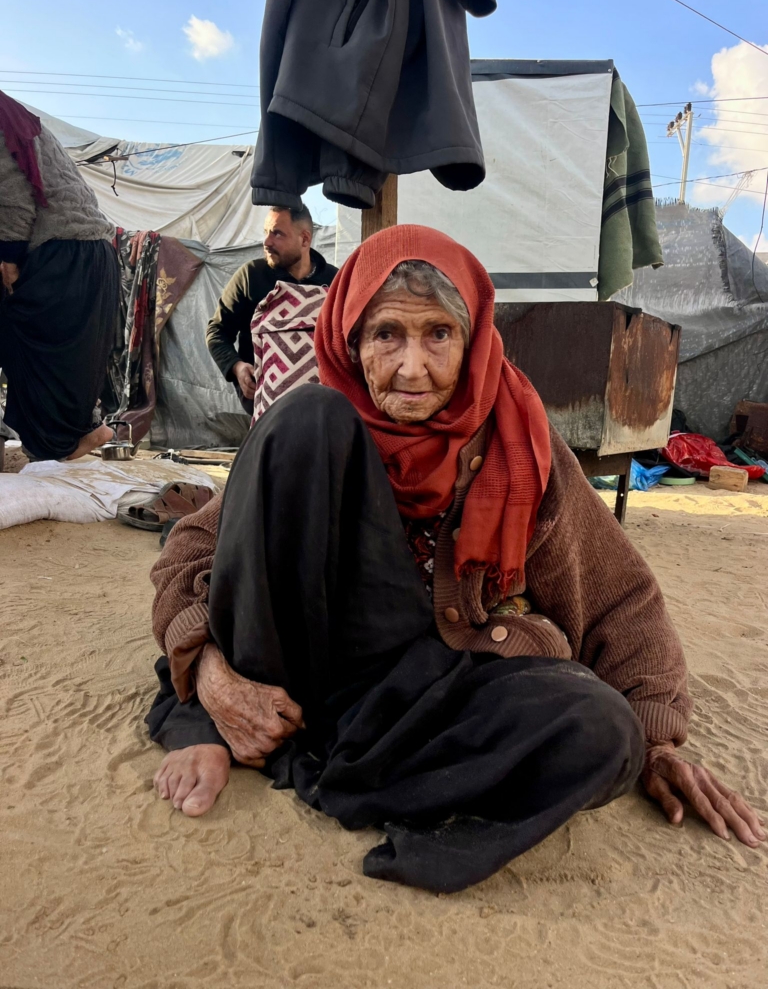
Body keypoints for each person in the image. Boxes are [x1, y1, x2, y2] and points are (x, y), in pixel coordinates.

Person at [147, 225, 764, 894]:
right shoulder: (314, 427)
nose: (413, 368)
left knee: (605, 730)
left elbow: (621, 595)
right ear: (351, 340)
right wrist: (212, 684)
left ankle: (333, 758)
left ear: (472, 342)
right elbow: (192, 553)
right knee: (304, 418)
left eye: (438, 334)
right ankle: (240, 727)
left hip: (422, 682)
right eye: (387, 335)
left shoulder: (520, 439)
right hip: (296, 662)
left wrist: (656, 736)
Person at [0, 91, 118, 461]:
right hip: (88, 252)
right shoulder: (18, 118)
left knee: (38, 366)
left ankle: (64, 445)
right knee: (59, 371)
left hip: (61, 254)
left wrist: (10, 262)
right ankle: (75, 436)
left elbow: (13, 198)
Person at [206, 203, 338, 414]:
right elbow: (217, 331)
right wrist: (237, 367)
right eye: (266, 232)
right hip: (265, 404)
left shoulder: (335, 282)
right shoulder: (251, 276)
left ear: (304, 239)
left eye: (277, 233)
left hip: (320, 407)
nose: (267, 242)